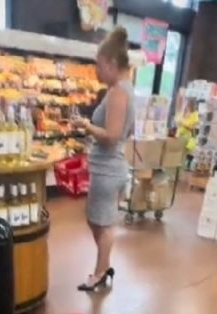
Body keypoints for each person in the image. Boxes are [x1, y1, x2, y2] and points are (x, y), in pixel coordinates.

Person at [71, 26, 135, 291]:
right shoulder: (124, 89)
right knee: (97, 219)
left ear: (111, 63)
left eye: (99, 65)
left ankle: (99, 273)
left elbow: (111, 135)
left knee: (103, 224)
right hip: (109, 167)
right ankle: (104, 267)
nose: (97, 72)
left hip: (109, 169)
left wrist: (87, 126)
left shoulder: (118, 92)